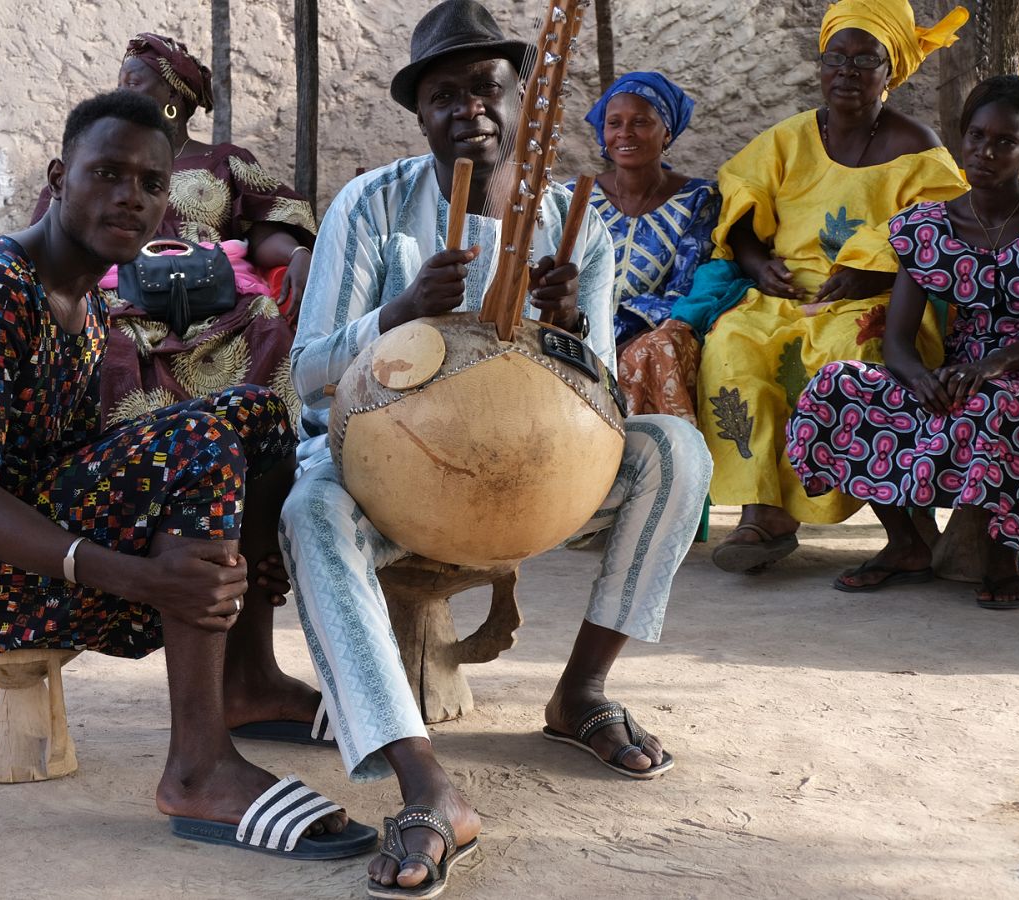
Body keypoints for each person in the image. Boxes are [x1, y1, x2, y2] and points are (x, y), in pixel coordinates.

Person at [0, 91, 374, 859]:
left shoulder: (89, 307)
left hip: (27, 535)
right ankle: (198, 769)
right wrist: (143, 581)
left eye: (151, 182)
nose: (130, 196)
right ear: (58, 177)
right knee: (199, 441)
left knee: (256, 415)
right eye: (106, 172)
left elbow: (85, 462)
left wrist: (247, 547)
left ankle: (246, 679)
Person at [281, 3, 712, 897]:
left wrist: (566, 327)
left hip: (536, 476)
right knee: (308, 508)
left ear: (519, 96)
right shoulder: (373, 204)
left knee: (673, 449)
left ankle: (581, 693)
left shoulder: (573, 220)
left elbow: (602, 396)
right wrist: (396, 314)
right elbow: (304, 374)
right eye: (443, 94)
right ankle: (425, 784)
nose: (466, 107)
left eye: (485, 87)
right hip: (391, 482)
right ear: (419, 111)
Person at [702, 0, 970, 573]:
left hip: (879, 300)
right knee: (733, 345)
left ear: (891, 70)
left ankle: (824, 511)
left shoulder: (918, 149)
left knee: (846, 351)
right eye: (834, 58)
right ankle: (762, 511)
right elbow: (742, 209)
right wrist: (755, 264)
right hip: (786, 296)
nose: (846, 70)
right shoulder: (788, 140)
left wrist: (870, 272)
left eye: (865, 58)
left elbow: (945, 237)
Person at [788, 75, 1019, 608]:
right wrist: (920, 379)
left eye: (1005, 142)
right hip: (954, 375)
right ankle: (905, 543)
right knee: (837, 384)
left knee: (998, 404)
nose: (985, 152)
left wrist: (997, 363)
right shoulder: (926, 226)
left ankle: (1000, 556)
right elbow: (899, 339)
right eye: (976, 137)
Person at [31, 32, 316, 428]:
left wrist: (297, 254)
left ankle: (268, 457)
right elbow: (53, 234)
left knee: (264, 320)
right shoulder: (94, 165)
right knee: (108, 341)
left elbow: (262, 228)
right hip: (119, 298)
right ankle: (132, 465)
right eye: (119, 83)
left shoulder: (224, 161)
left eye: (133, 83)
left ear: (174, 97)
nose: (121, 92)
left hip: (217, 297)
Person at [573, 72, 718, 423]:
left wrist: (620, 341)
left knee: (658, 349)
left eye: (641, 122)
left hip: (651, 333)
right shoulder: (577, 197)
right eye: (614, 123)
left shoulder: (698, 200)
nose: (625, 133)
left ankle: (661, 467)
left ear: (666, 131)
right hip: (579, 328)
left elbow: (685, 289)